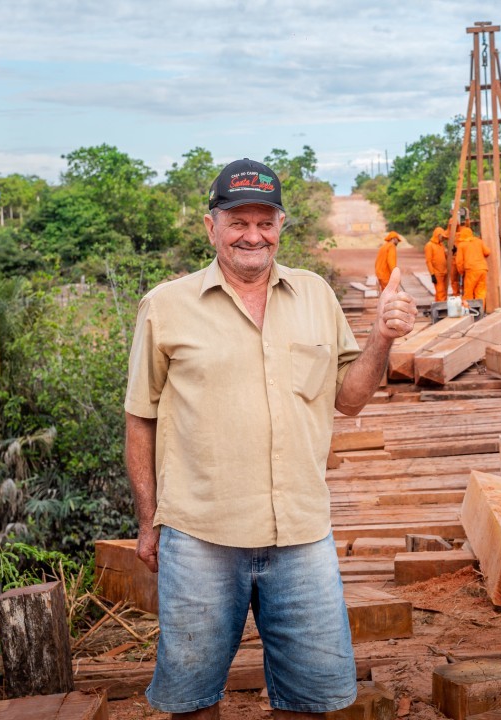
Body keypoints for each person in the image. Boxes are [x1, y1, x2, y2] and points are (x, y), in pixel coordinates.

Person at [124, 158, 417, 720]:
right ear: (211, 227)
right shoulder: (166, 306)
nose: (252, 235)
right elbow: (141, 418)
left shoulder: (315, 296)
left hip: (302, 535)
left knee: (312, 699)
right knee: (191, 700)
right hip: (200, 535)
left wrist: (381, 336)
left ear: (281, 226)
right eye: (238, 221)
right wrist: (147, 518)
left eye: (264, 221)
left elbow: (349, 398)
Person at [453, 226, 490, 302]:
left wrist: (462, 272)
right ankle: (480, 311)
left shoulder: (461, 245)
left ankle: (469, 311)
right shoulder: (479, 241)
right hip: (483, 269)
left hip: (471, 271)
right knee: (481, 292)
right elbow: (487, 252)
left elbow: (459, 262)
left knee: (468, 293)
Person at [424, 226, 449, 301]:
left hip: (444, 272)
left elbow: (445, 257)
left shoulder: (441, 245)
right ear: (438, 235)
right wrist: (432, 274)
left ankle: (439, 307)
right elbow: (428, 261)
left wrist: (451, 252)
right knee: (440, 291)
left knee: (443, 292)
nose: (443, 239)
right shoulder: (429, 245)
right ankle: (442, 309)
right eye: (442, 237)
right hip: (437, 273)